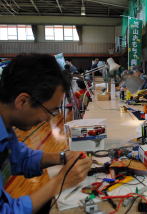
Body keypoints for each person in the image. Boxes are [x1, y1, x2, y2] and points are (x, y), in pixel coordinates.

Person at [0, 54, 92, 213]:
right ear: (23, 101)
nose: (47, 119)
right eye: (49, 111)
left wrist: (63, 157)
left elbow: (20, 159)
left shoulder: (6, 127)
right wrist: (60, 182)